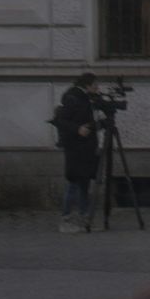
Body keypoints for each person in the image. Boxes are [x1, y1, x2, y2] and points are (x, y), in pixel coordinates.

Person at [50, 73, 119, 232]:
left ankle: (84, 218)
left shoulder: (86, 98)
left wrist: (102, 123)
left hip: (86, 147)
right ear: (87, 85)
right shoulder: (73, 97)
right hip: (75, 148)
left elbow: (88, 124)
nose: (97, 88)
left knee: (84, 183)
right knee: (74, 183)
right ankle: (65, 220)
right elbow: (61, 121)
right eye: (95, 85)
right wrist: (77, 129)